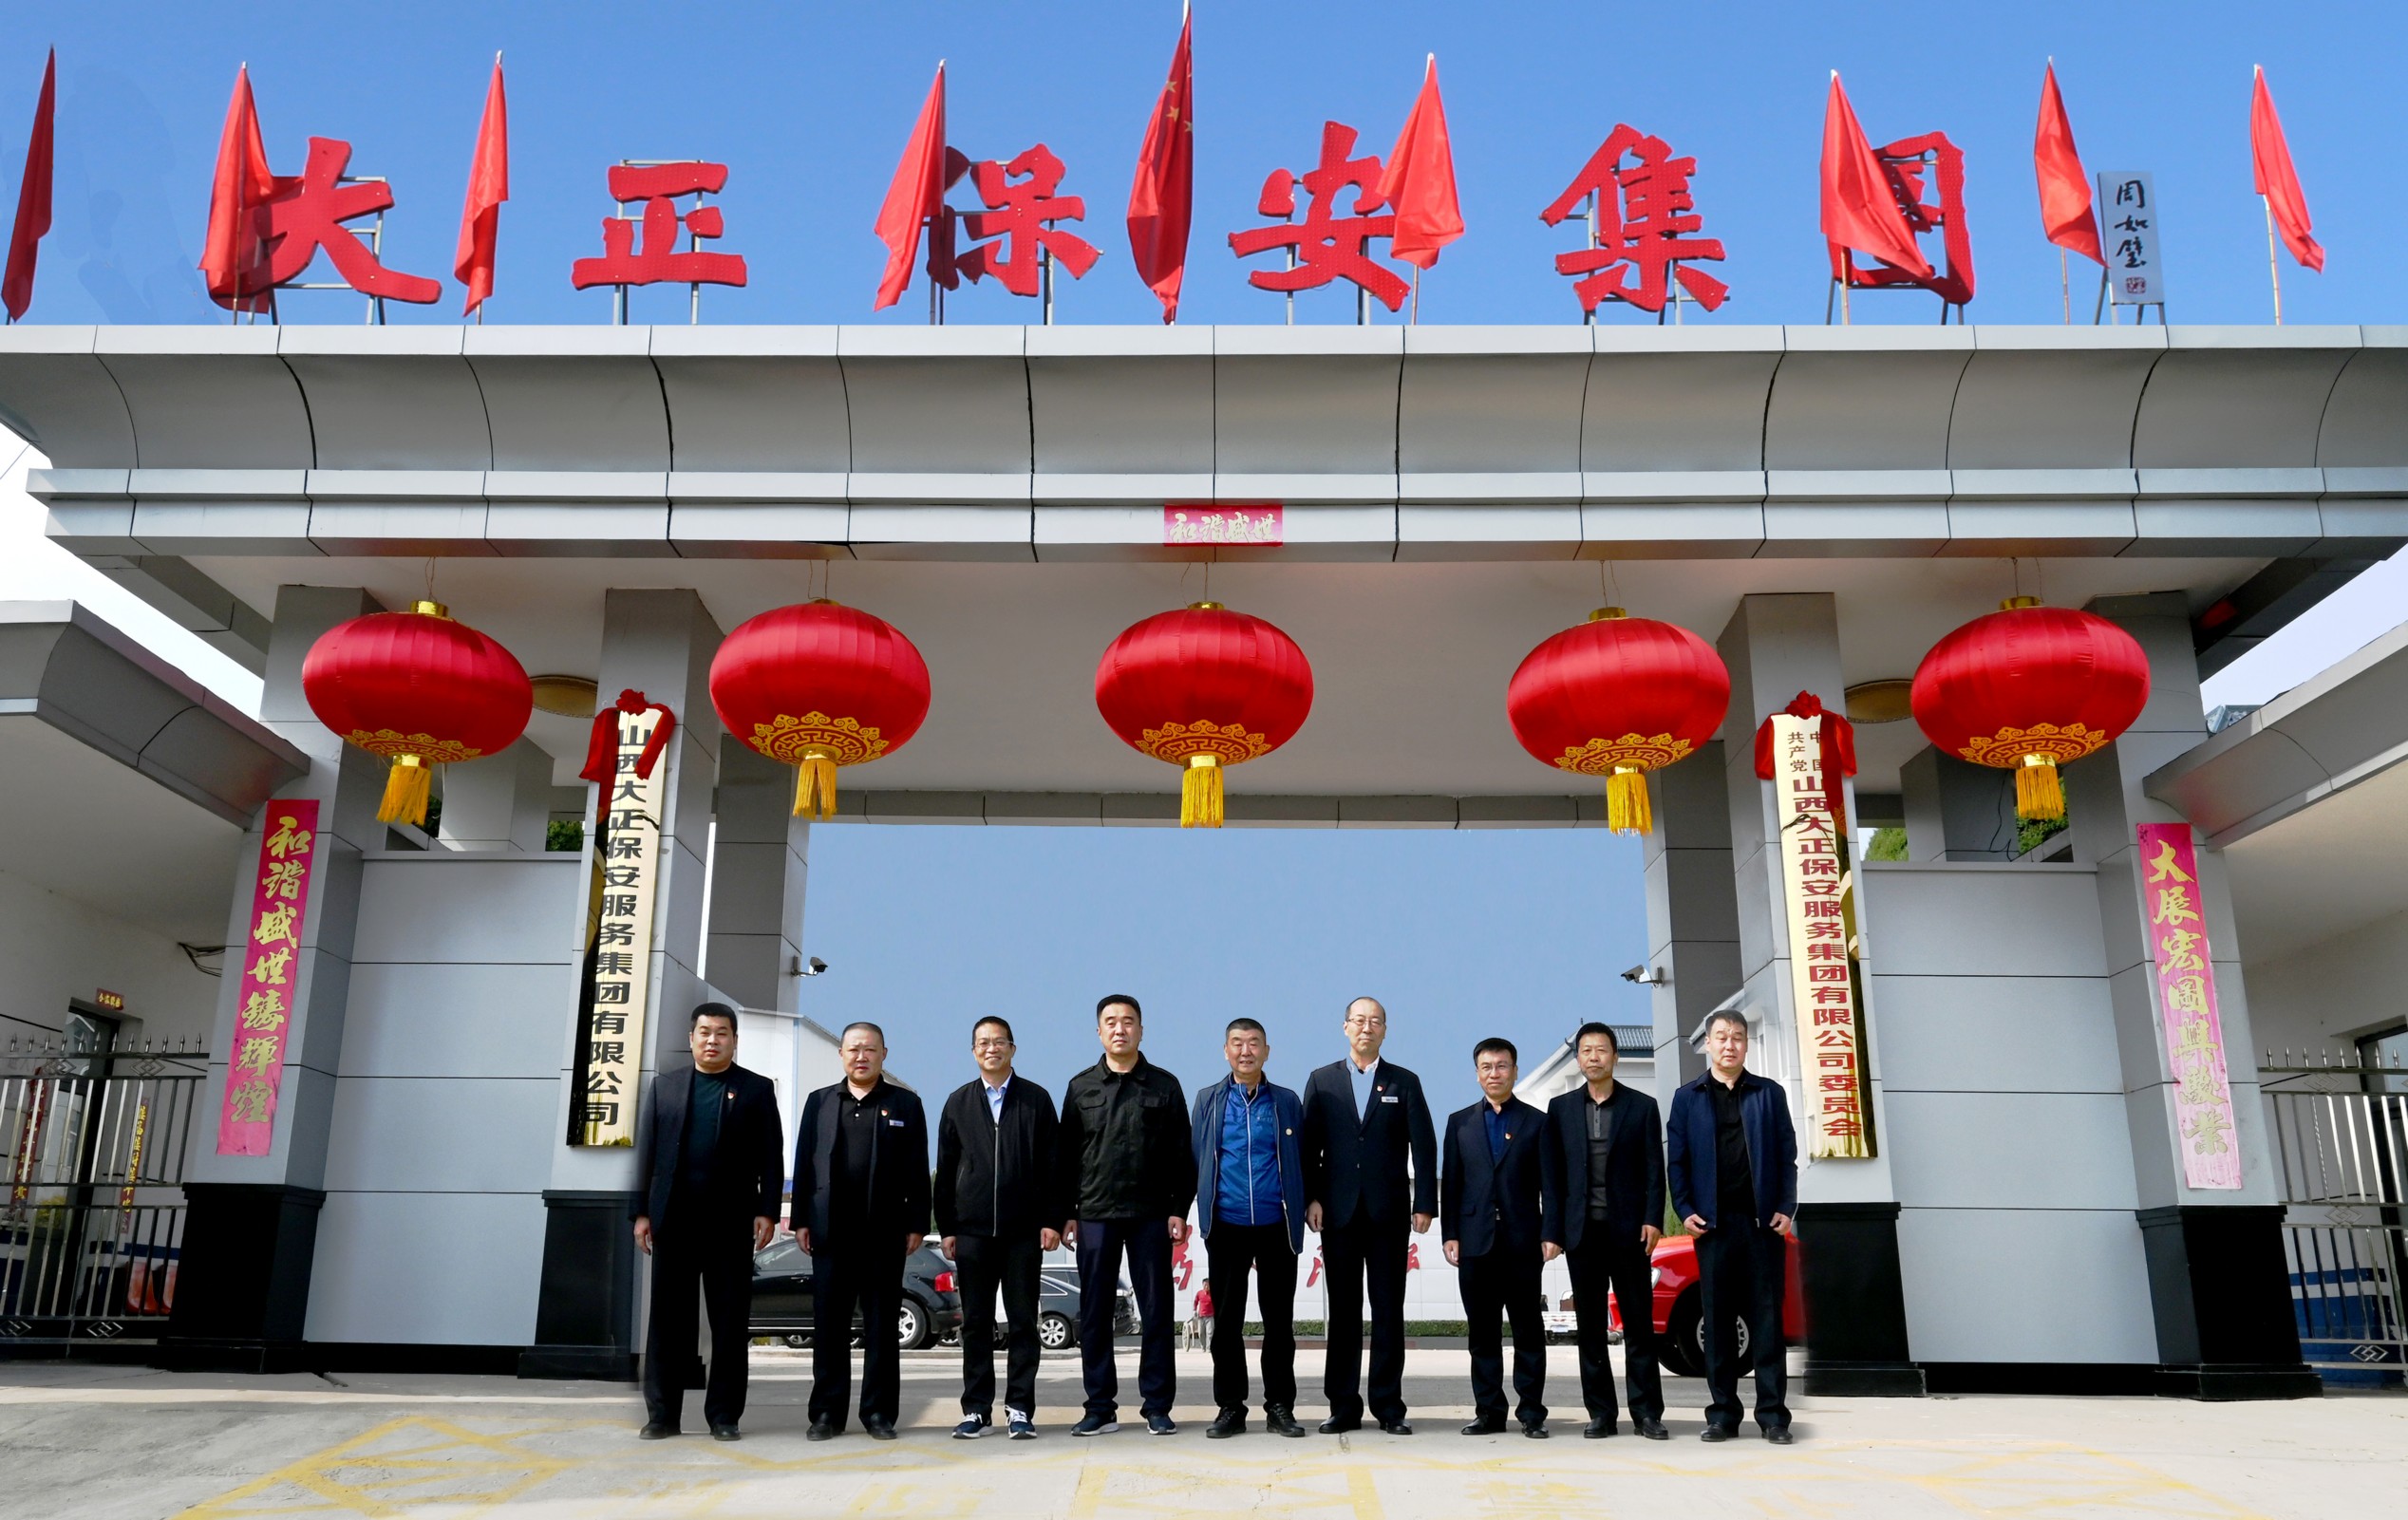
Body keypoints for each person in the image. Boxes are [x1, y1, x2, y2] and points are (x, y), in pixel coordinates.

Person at [631, 1002, 785, 1441]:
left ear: (734, 1040)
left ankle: (724, 1416)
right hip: (673, 1221)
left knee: (730, 1324)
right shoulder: (666, 1087)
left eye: (722, 1033)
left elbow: (771, 1156)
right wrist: (640, 1212)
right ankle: (662, 1415)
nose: (712, 1040)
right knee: (667, 1322)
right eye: (705, 1032)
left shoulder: (755, 1090)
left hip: (730, 1224)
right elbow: (646, 1154)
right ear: (691, 1038)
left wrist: (767, 1210)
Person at [1056, 994, 1195, 1436]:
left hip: (1151, 1214)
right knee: (1095, 1313)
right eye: (1111, 1022)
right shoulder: (1081, 1087)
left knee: (1156, 1312)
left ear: (1141, 1030)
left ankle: (1157, 1406)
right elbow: (1065, 1158)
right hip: (1095, 1214)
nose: (1120, 1029)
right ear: (1099, 1032)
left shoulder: (1164, 1086)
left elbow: (1182, 1155)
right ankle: (1100, 1406)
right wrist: (1067, 1213)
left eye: (1129, 1021)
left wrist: (1178, 1209)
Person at [1299, 996, 1437, 1436]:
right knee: (1343, 1312)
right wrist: (1311, 1198)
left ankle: (1389, 1406)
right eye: (1359, 1020)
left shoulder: (1404, 1082)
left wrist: (1424, 1203)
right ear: (1345, 1027)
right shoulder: (1322, 1081)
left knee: (1388, 1310)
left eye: (1375, 1021)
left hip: (1387, 1214)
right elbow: (1309, 1148)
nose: (1366, 1027)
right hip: (1337, 1214)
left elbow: (1425, 1145)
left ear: (1385, 1030)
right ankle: (1343, 1406)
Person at [1666, 1009, 1798, 1445]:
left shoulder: (1769, 1094)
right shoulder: (1687, 1098)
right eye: (1721, 1037)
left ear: (1746, 1044)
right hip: (1713, 1227)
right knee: (1719, 1324)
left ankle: (1773, 1417)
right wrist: (1685, 1209)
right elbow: (1677, 1162)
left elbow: (1786, 1157)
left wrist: (1786, 1206)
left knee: (1766, 1322)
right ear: (1707, 1043)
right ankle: (1723, 1415)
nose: (1729, 1044)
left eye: (1737, 1037)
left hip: (1762, 1226)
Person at [793, 1022, 929, 1442]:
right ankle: (826, 1413)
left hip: (884, 1234)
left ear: (884, 1054)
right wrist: (801, 1219)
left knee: (882, 1328)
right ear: (842, 1054)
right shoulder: (820, 1102)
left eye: (870, 1049)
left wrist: (917, 1223)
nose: (861, 1056)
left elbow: (918, 1169)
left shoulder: (905, 1104)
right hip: (830, 1233)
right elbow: (804, 1163)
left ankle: (879, 1413)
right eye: (853, 1049)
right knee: (829, 1327)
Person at [934, 1015, 1063, 1440]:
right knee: (976, 1322)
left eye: (999, 1042)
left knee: (1023, 1322)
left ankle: (1020, 1408)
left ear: (1012, 1048)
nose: (991, 1048)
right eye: (983, 1042)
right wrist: (948, 1227)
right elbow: (945, 1170)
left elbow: (1053, 1166)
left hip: (1023, 1232)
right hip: (971, 1233)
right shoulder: (958, 1102)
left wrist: (1051, 1220)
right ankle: (976, 1408)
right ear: (973, 1051)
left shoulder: (1036, 1100)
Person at [1540, 1023, 1667, 1440]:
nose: (1593, 1057)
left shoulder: (1642, 1106)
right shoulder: (1560, 1109)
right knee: (1591, 1329)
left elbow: (1655, 1169)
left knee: (1638, 1326)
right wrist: (1552, 1230)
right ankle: (1601, 1413)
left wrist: (1653, 1218)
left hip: (1629, 1232)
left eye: (1601, 1050)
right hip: (1582, 1234)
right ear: (1578, 1058)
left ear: (1615, 1056)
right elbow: (1552, 1178)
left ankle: (1647, 1413)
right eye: (1586, 1050)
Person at [1191, 1018, 1309, 1439]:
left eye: (1254, 1043)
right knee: (1226, 1323)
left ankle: (1279, 1406)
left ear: (1267, 1051)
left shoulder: (1286, 1101)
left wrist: (1309, 1201)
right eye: (1237, 1044)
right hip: (1227, 1224)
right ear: (1226, 1051)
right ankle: (1230, 1407)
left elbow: (1304, 1157)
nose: (1246, 1051)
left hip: (1277, 1224)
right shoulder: (1208, 1100)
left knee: (1279, 1322)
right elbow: (1197, 1157)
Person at [1441, 1037, 1550, 1438]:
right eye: (1486, 1067)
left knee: (1527, 1332)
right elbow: (1452, 1183)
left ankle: (1532, 1413)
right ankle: (1489, 1411)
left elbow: (1551, 1184)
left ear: (1515, 1071)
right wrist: (1450, 1233)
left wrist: (1551, 1233)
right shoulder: (1459, 1122)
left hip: (1523, 1241)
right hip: (1475, 1243)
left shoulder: (1537, 1122)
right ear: (1477, 1074)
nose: (1494, 1074)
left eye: (1502, 1066)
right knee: (1482, 1334)